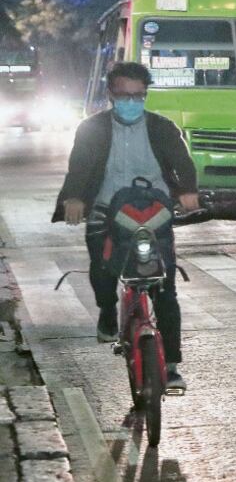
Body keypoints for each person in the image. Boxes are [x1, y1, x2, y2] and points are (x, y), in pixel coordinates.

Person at [51, 62, 198, 391]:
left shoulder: (163, 128)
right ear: (110, 95)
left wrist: (188, 192)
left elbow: (182, 162)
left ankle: (171, 365)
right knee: (103, 268)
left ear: (145, 95)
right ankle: (106, 309)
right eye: (124, 95)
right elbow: (80, 167)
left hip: (155, 212)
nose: (131, 101)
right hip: (106, 210)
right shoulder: (92, 129)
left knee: (165, 286)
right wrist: (74, 198)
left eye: (138, 96)